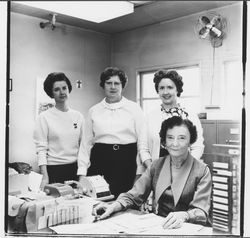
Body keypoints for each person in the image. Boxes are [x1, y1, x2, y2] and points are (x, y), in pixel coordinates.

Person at [93, 116, 212, 229]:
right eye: (170, 138)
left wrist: (185, 215)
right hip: (160, 227)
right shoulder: (156, 166)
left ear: (190, 141)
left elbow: (201, 211)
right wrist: (113, 206)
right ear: (164, 142)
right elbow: (133, 196)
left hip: (189, 229)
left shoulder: (202, 171)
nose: (175, 144)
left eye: (181, 138)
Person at [77, 67, 146, 198]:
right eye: (109, 83)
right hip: (99, 162)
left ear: (122, 85)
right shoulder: (94, 110)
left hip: (126, 163)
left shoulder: (134, 109)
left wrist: (139, 173)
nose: (113, 87)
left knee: (124, 204)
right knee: (98, 203)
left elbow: (142, 143)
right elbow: (85, 145)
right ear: (103, 85)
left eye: (117, 83)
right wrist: (82, 174)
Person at [138, 69, 204, 174]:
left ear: (177, 89)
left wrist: (185, 169)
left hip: (184, 172)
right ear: (157, 91)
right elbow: (143, 148)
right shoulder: (150, 117)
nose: (165, 92)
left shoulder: (190, 115)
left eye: (170, 87)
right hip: (156, 172)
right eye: (161, 88)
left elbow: (197, 147)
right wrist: (153, 169)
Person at [33, 72, 84, 190]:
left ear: (69, 89)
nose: (62, 92)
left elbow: (83, 148)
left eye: (64, 88)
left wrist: (82, 175)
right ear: (51, 93)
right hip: (54, 171)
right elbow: (41, 150)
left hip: (75, 170)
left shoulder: (78, 116)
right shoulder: (44, 117)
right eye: (57, 89)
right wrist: (45, 177)